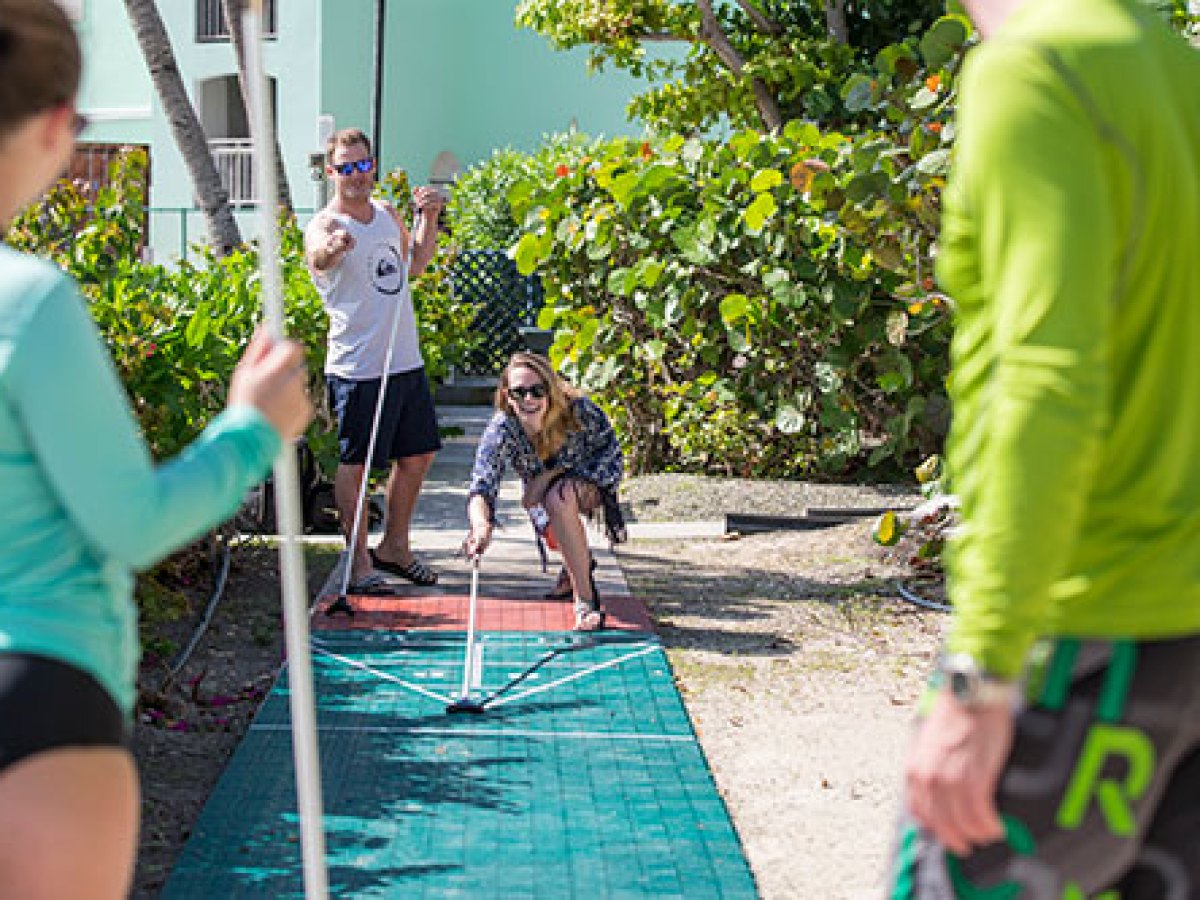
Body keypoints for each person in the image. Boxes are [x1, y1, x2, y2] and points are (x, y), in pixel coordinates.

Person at [0, 3, 314, 896]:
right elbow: (131, 525)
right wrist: (253, 429)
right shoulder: (27, 302)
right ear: (59, 127)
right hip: (39, 694)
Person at [891, 0, 1200, 896]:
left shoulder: (1033, 74)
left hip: (1081, 633)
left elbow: (1044, 381)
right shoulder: (1174, 70)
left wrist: (981, 674)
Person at [304, 128, 445, 594]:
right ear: (332, 173)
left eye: (362, 166)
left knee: (419, 454)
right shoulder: (324, 224)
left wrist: (430, 217)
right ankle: (359, 561)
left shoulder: (386, 213)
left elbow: (416, 265)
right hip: (358, 366)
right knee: (359, 465)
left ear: (373, 166)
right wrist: (334, 248)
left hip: (404, 358)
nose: (356, 176)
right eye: (345, 168)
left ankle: (395, 548)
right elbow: (318, 259)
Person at [464, 352, 625, 631]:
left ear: (550, 391)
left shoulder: (579, 411)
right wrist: (481, 526)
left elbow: (610, 454)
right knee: (549, 522)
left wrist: (553, 476)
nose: (529, 400)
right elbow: (482, 483)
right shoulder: (502, 428)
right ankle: (575, 564)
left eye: (537, 390)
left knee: (557, 498)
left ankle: (586, 601)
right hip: (542, 487)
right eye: (519, 392)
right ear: (507, 396)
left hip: (593, 474)